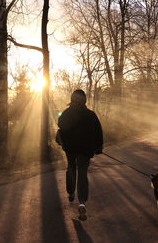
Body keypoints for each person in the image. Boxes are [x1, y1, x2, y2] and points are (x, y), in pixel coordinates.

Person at [56, 89, 103, 221]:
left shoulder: (67, 113)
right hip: (85, 150)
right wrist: (98, 147)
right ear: (84, 100)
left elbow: (59, 124)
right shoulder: (91, 115)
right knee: (82, 172)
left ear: (72, 99)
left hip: (70, 149)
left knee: (71, 169)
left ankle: (71, 192)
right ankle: (82, 202)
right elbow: (98, 131)